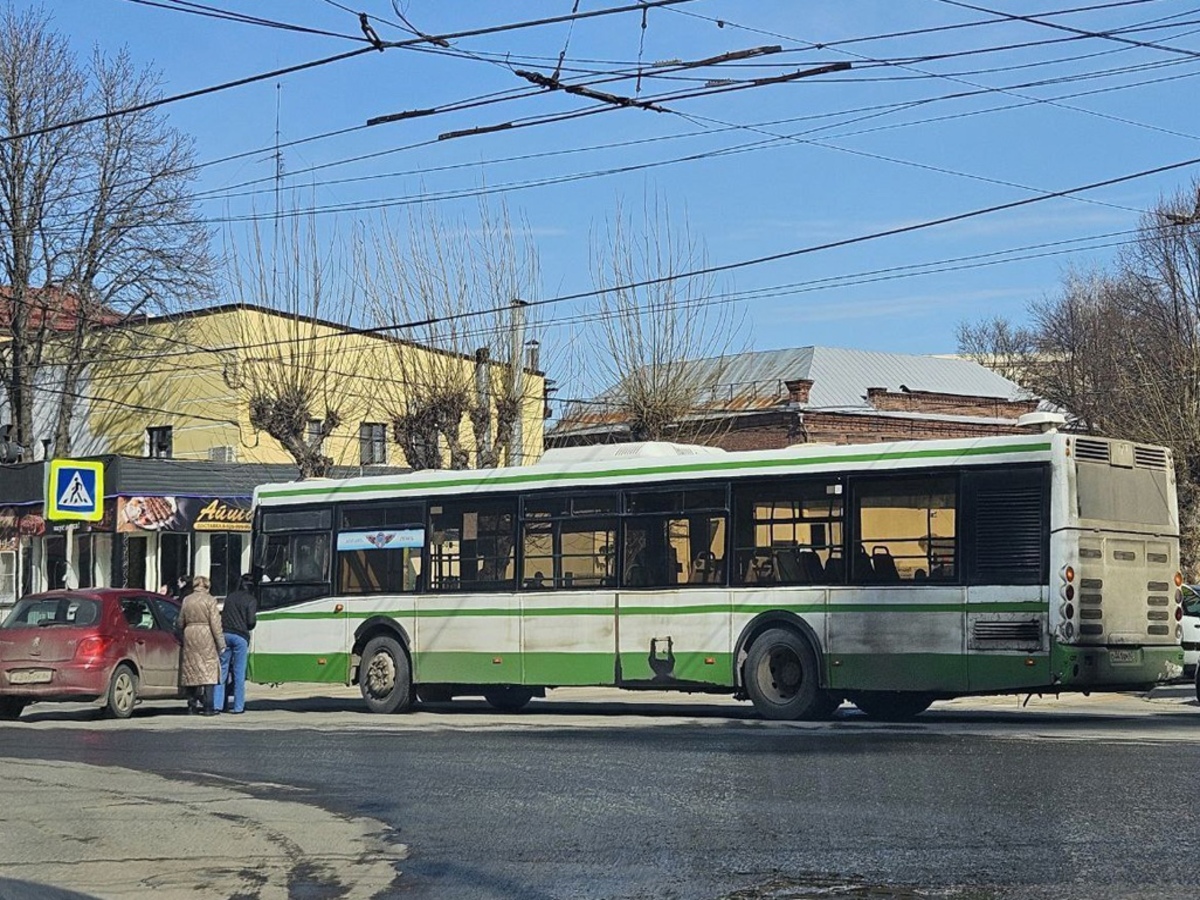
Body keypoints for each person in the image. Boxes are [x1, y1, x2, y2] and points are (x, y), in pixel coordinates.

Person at [177, 575, 226, 716]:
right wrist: (221, 643)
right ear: (207, 586)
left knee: (191, 670)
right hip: (206, 635)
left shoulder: (187, 600)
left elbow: (180, 621)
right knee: (208, 671)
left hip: (190, 634)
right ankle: (208, 707)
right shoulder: (210, 600)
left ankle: (191, 706)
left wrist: (182, 632)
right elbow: (216, 624)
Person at [214, 574, 257, 714]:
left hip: (225, 634)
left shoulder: (230, 597)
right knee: (239, 673)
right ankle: (238, 707)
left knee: (223, 670)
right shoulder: (251, 600)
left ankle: (217, 705)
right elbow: (251, 622)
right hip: (240, 637)